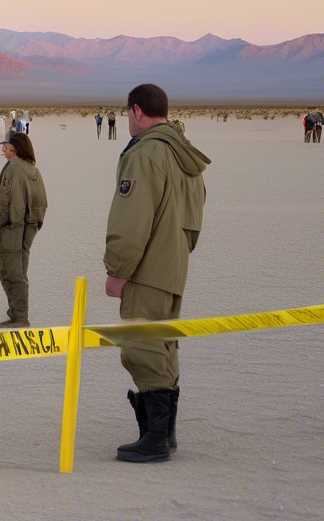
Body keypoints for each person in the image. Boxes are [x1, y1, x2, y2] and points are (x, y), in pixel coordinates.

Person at [104, 83, 210, 463]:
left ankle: (155, 439)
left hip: (147, 268)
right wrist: (176, 253)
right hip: (173, 266)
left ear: (136, 111)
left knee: (142, 347)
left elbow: (131, 219)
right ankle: (163, 435)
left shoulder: (146, 152)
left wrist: (118, 270)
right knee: (163, 345)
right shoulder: (183, 152)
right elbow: (194, 220)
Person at [0, 132, 46, 329]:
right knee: (17, 271)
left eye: (7, 147)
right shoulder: (31, 168)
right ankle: (16, 315)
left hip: (13, 226)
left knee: (9, 272)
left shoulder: (14, 168)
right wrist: (34, 224)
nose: (3, 150)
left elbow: (7, 201)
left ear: (16, 149)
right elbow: (41, 201)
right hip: (27, 226)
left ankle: (20, 318)